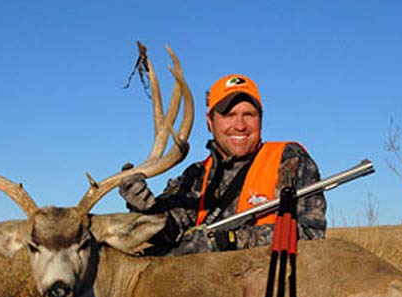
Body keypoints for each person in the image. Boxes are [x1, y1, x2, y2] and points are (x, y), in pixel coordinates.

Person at [119, 74, 326, 255]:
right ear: (210, 122)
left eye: (249, 115)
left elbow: (312, 235)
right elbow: (170, 232)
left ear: (261, 120)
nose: (240, 126)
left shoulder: (289, 160)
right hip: (203, 283)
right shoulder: (196, 176)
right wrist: (146, 210)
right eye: (229, 115)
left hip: (269, 281)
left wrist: (227, 241)